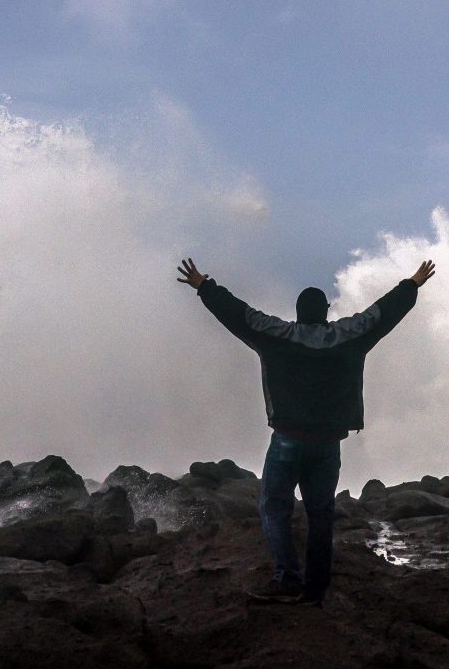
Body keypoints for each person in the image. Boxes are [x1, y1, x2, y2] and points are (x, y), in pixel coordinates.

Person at [176, 256, 435, 606]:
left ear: (298, 312)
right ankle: (316, 590)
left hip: (287, 441)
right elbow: (381, 313)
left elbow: (238, 314)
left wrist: (204, 286)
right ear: (325, 312)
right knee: (320, 514)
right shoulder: (349, 337)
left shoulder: (276, 336)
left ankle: (286, 578)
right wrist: (411, 284)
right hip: (328, 444)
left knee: (274, 508)